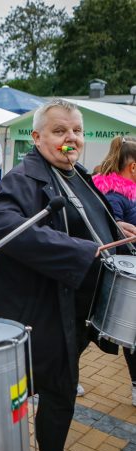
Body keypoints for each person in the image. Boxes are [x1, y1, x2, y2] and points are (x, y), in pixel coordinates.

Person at [0, 99, 136, 451]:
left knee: (60, 393)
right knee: (21, 395)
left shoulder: (74, 173)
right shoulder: (22, 176)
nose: (71, 139)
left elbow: (78, 217)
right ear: (37, 137)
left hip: (69, 312)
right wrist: (81, 250)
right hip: (31, 314)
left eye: (77, 131)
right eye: (60, 131)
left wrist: (108, 225)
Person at [92, 135, 136, 407]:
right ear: (132, 168)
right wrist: (121, 228)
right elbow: (109, 233)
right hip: (121, 279)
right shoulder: (114, 193)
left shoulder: (126, 191)